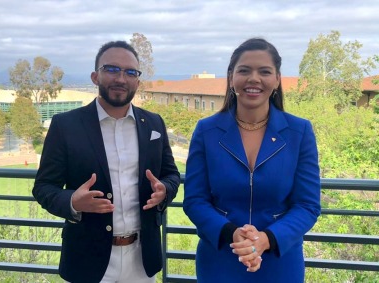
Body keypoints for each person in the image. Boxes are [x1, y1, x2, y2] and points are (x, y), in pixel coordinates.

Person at [32, 40, 180, 283]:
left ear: (137, 81)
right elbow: (43, 187)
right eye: (111, 69)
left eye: (130, 72)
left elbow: (172, 175)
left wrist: (165, 191)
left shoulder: (154, 124)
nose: (121, 78)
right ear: (95, 76)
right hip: (88, 260)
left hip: (141, 259)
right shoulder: (66, 126)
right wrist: (72, 202)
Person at [183, 38, 321, 283]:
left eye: (264, 71)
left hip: (280, 261)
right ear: (231, 77)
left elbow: (307, 205)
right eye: (244, 70)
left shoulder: (299, 132)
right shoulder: (206, 131)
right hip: (220, 258)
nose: (254, 79)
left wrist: (266, 239)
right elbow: (195, 200)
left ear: (277, 79)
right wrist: (233, 234)